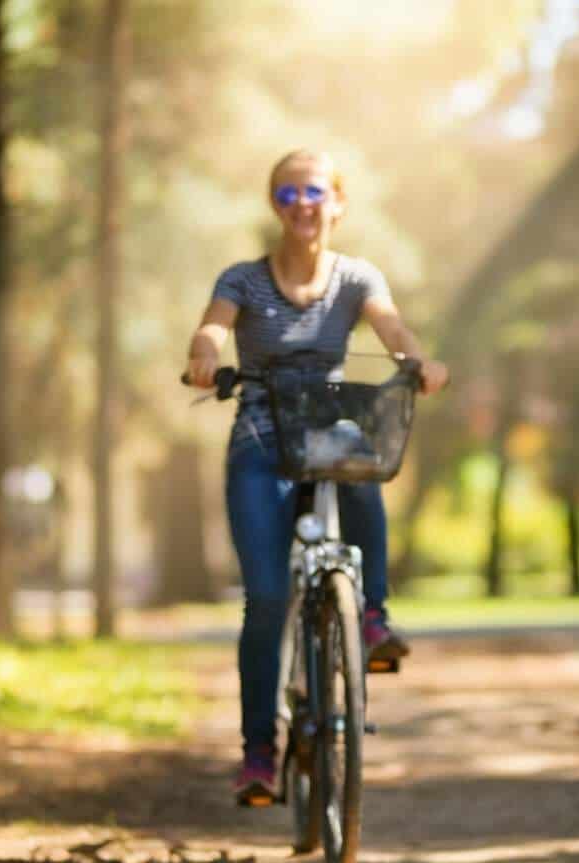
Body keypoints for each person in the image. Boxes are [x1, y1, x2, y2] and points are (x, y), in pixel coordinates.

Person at [182, 150, 450, 805]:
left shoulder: (357, 277)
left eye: (315, 191)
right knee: (268, 599)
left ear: (338, 204)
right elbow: (212, 327)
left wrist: (420, 362)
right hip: (259, 438)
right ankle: (258, 753)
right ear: (276, 205)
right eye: (288, 192)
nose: (303, 203)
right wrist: (202, 356)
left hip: (325, 428)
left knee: (362, 461)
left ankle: (373, 615)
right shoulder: (244, 278)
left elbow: (391, 330)